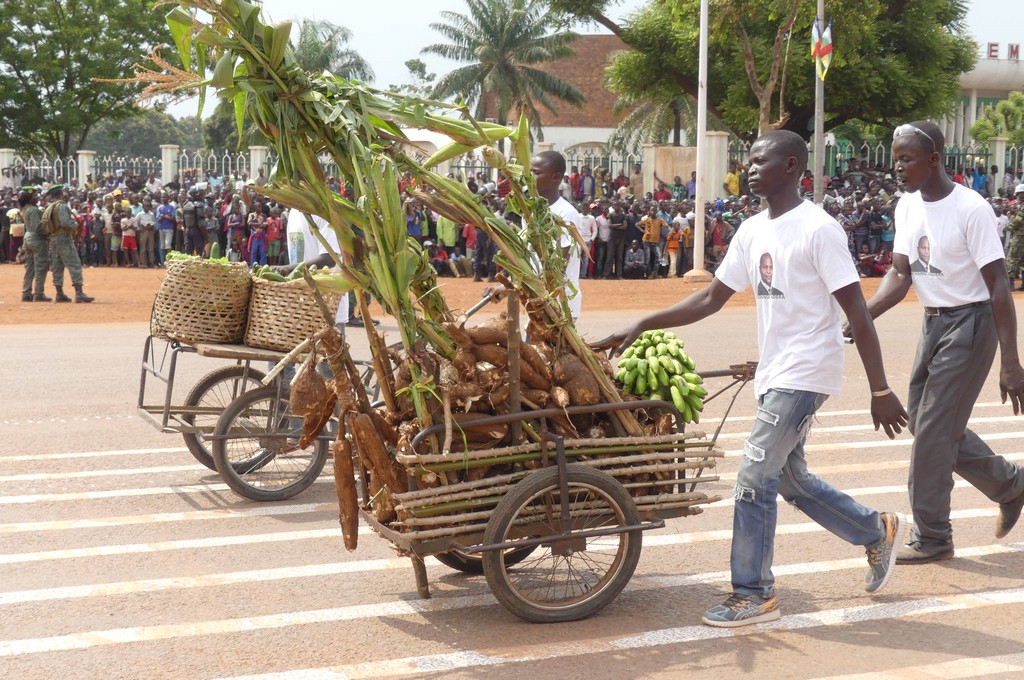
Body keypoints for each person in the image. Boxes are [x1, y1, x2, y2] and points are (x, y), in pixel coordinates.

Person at [608, 130, 908, 628]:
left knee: (753, 476)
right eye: (748, 161)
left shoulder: (819, 229)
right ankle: (875, 530)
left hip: (806, 370)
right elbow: (710, 299)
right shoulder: (751, 230)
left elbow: (856, 311)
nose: (749, 169)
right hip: (775, 370)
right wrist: (642, 321)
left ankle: (753, 592)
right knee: (789, 478)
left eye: (761, 161)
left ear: (792, 167)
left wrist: (879, 389)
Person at [860, 121, 1024, 564]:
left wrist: (1011, 361)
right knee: (928, 424)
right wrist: (863, 315)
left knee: (932, 434)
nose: (898, 166)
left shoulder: (970, 208)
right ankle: (1010, 484)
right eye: (895, 158)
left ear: (934, 159)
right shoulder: (907, 206)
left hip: (972, 322)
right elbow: (899, 273)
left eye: (907, 158)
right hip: (933, 322)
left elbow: (998, 286)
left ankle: (933, 535)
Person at [43, 185, 94, 303]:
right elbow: (65, 222)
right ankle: (79, 293)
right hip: (64, 238)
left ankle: (59, 293)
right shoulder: (61, 206)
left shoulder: (50, 207)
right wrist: (77, 226)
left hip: (54, 237)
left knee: (57, 266)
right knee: (74, 264)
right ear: (61, 194)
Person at [19, 187, 51, 302]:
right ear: (29, 198)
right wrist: (49, 231)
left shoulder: (25, 209)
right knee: (41, 267)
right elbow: (38, 227)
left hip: (28, 238)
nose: (37, 197)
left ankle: (26, 292)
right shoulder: (33, 210)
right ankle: (39, 293)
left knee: (30, 267)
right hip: (37, 239)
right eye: (35, 196)